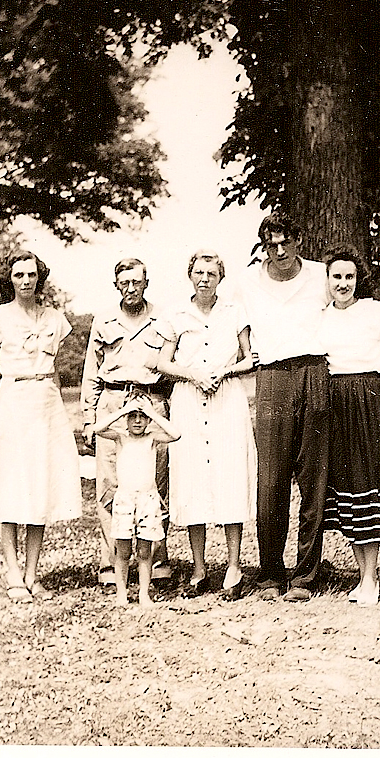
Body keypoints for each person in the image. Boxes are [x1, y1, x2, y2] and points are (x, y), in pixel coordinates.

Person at [0, 251, 82, 602]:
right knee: (12, 485)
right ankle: (12, 572)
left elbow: (56, 372)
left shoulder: (53, 318)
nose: (25, 280)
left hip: (46, 402)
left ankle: (33, 574)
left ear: (39, 277)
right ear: (10, 278)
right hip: (14, 401)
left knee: (42, 486)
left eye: (31, 274)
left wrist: (64, 414)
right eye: (18, 274)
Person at [235, 212, 331, 603]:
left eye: (286, 242)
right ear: (264, 246)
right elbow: (235, 321)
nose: (279, 251)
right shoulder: (247, 281)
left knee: (314, 479)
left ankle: (306, 575)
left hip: (315, 372)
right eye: (271, 244)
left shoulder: (322, 276)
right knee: (271, 480)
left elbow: (351, 309)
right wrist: (247, 352)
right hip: (272, 377)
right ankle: (271, 573)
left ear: (299, 241)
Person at [317, 250, 380, 606]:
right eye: (336, 277)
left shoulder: (375, 311)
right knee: (347, 486)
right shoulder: (320, 317)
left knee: (367, 482)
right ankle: (364, 577)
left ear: (358, 280)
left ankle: (371, 579)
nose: (342, 284)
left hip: (367, 400)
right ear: (327, 280)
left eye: (349, 277)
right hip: (335, 403)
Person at [156, 249, 256, 600]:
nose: (204, 279)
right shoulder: (176, 314)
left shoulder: (234, 312)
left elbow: (251, 359)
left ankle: (233, 567)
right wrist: (195, 374)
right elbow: (163, 363)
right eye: (199, 273)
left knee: (230, 477)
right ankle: (199, 568)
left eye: (211, 274)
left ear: (220, 278)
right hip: (188, 398)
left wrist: (223, 371)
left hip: (227, 398)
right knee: (193, 480)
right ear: (190, 276)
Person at [80, 258, 172, 587]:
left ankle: (157, 559)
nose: (131, 288)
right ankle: (110, 563)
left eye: (137, 282)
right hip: (111, 402)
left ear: (146, 283)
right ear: (116, 285)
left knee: (154, 483)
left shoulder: (164, 319)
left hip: (151, 402)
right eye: (124, 283)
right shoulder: (103, 321)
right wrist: (89, 417)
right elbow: (92, 372)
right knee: (109, 486)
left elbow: (172, 367)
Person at [92, 394, 181, 608]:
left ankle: (143, 593)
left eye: (142, 417)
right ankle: (121, 594)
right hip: (125, 500)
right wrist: (123, 411)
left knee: (144, 551)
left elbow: (176, 434)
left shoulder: (152, 438)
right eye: (133, 416)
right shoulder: (120, 437)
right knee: (122, 551)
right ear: (126, 419)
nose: (138, 421)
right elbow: (97, 428)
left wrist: (151, 412)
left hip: (147, 500)